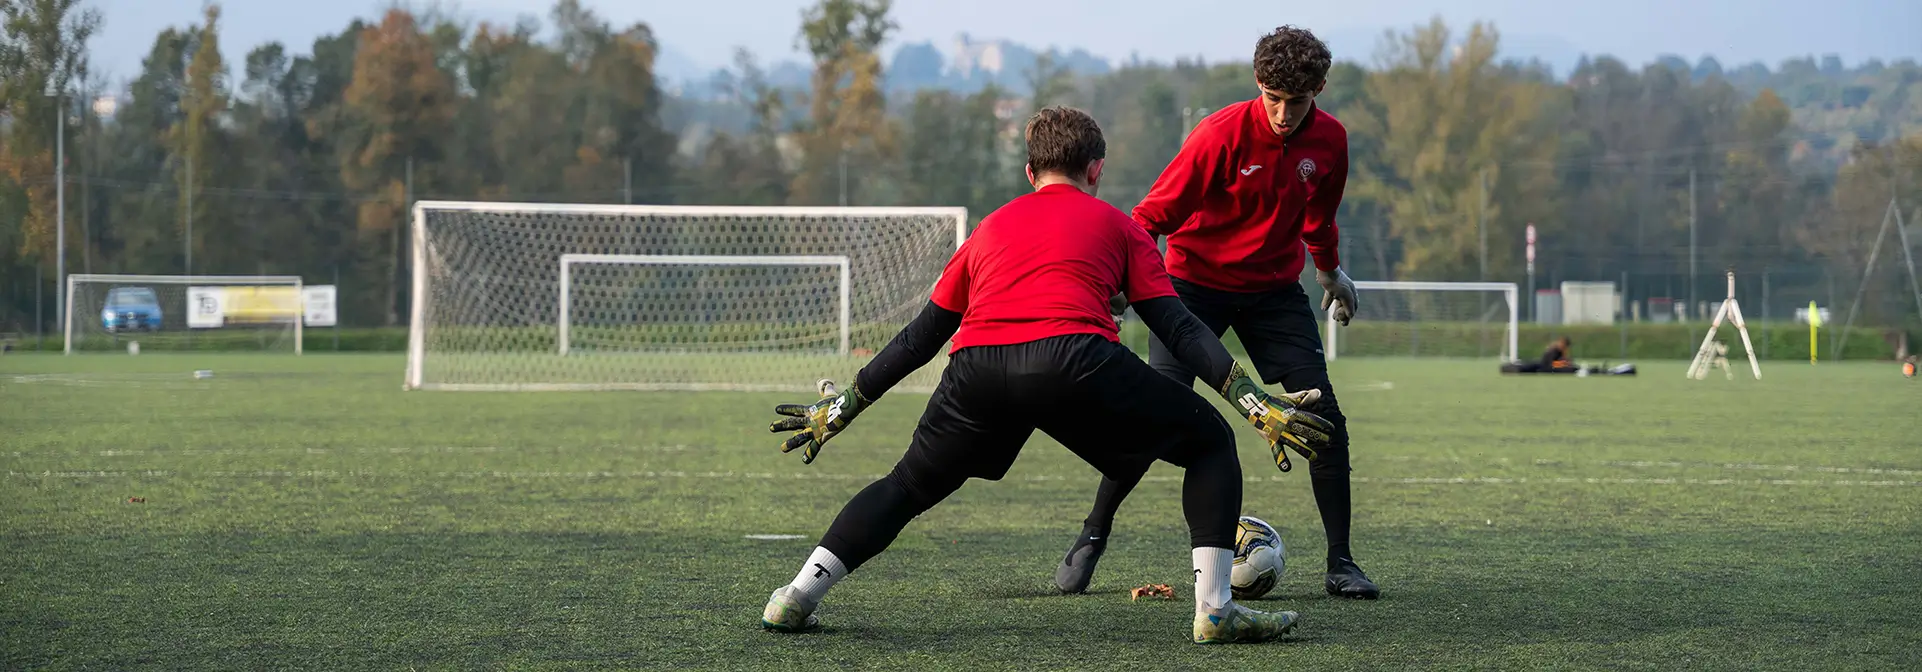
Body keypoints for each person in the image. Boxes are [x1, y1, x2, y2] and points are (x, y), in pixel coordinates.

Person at [760, 106, 1335, 644]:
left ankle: (796, 595)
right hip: (1076, 360)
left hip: (977, 369)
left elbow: (921, 338)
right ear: (1096, 169)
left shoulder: (989, 229)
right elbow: (1179, 328)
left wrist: (845, 405)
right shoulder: (1120, 226)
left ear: (1029, 171)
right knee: (1210, 442)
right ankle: (1214, 609)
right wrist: (1251, 400)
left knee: (906, 485)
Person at [1053, 25, 1383, 600]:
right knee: (1151, 416)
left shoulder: (1332, 140)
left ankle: (1342, 562)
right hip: (1191, 288)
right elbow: (1149, 218)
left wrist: (1330, 272)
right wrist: (1122, 281)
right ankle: (1093, 533)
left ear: (1320, 90)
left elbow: (1320, 217)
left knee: (1323, 416)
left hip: (1275, 294)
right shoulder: (1218, 135)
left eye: (1297, 101)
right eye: (1273, 98)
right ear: (1257, 83)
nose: (1283, 114)